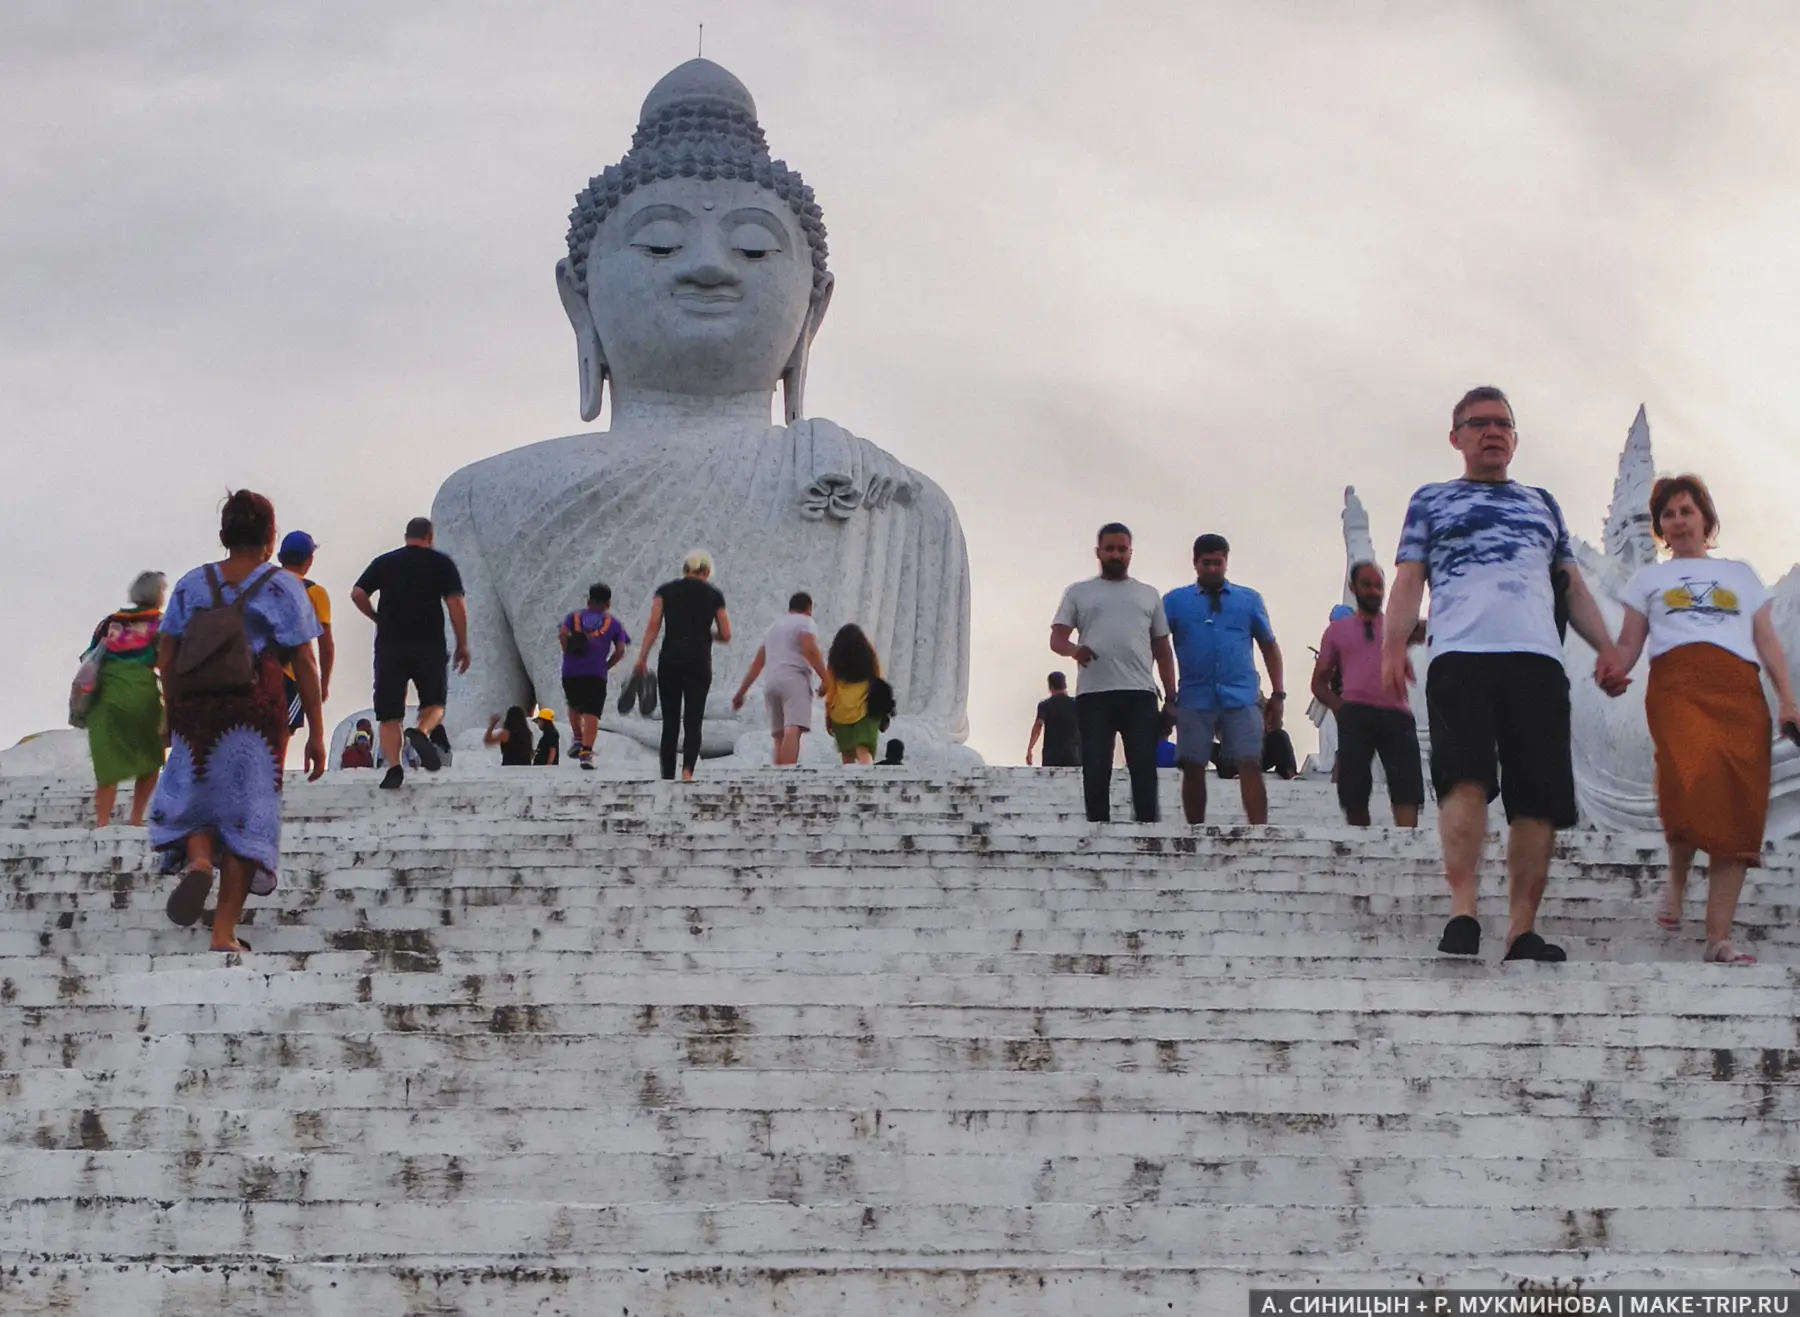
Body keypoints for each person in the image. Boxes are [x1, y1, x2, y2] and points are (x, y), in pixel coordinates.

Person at [1382, 386, 1629, 962]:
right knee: (1463, 779)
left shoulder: (1542, 503)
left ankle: (1522, 928)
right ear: (1457, 437)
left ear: (1515, 439)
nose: (1492, 432)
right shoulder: (1432, 500)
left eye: (1503, 424)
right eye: (1479, 423)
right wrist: (1393, 647)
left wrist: (1609, 648)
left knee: (1537, 798)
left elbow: (1570, 583)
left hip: (1537, 659)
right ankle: (1463, 912)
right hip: (1461, 656)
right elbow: (1409, 579)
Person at [1607, 475, 1800, 965]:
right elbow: (1630, 643)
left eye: (1686, 510)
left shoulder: (1739, 574)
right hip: (1678, 684)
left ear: (1705, 519)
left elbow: (1766, 640)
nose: (1677, 520)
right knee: (1690, 775)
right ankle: (1674, 884)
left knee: (1736, 805)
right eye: (1668, 514)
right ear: (1660, 528)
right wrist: (1614, 669)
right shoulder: (1648, 579)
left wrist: (1787, 700)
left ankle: (1719, 938)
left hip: (1738, 689)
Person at [149, 490, 325, 955]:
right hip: (255, 711)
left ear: (224, 533)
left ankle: (201, 859)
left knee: (195, 796)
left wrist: (172, 707)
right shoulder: (283, 585)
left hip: (197, 705)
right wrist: (317, 732)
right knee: (248, 815)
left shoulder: (191, 584)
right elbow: (304, 660)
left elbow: (166, 652)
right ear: (270, 536)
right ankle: (223, 932)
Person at [1050, 523, 1177, 823]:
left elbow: (1162, 648)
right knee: (1096, 763)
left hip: (1140, 693)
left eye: (1122, 549)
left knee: (1143, 764)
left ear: (1130, 552)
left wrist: (1172, 697)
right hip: (1094, 693)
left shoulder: (1148, 595)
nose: (1116, 554)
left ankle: (1147, 827)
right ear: (1099, 552)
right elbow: (1057, 638)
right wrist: (1075, 651)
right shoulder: (1079, 592)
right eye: (1110, 548)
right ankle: (1097, 827)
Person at [1163, 534, 1285, 825]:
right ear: (1195, 563)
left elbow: (1269, 645)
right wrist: (1168, 695)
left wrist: (1278, 693)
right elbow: (1158, 644)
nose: (1213, 569)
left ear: (1226, 562)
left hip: (1241, 694)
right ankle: (1195, 830)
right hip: (1195, 695)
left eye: (1218, 563)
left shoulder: (1249, 600)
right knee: (1193, 764)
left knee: (1250, 762)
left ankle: (1259, 830)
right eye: (1206, 563)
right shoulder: (1174, 602)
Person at [351, 518, 468, 790]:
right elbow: (455, 604)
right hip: (429, 645)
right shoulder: (441, 563)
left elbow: (357, 593)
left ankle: (394, 767)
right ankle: (421, 731)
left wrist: (376, 617)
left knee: (389, 714)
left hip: (390, 646)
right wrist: (462, 643)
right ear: (430, 536)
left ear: (406, 536)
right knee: (434, 704)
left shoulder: (385, 562)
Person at [1312, 561, 1425, 827]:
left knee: (1406, 785)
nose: (1374, 591)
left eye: (1378, 586)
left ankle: (1407, 845)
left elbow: (1431, 627)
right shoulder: (1336, 632)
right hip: (1356, 713)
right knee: (1354, 787)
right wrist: (1338, 707)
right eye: (1367, 585)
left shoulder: (1399, 625)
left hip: (1397, 713)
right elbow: (1318, 683)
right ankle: (1360, 842)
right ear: (1353, 588)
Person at [634, 550, 730, 781]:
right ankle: (687, 771)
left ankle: (667, 775)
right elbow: (726, 634)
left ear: (685, 570)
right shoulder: (714, 595)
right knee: (693, 720)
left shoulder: (664, 592)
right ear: (706, 572)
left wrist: (642, 657)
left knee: (670, 721)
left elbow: (653, 625)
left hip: (670, 660)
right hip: (698, 660)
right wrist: (707, 634)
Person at [85, 571, 167, 827]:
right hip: (140, 693)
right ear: (157, 594)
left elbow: (90, 656)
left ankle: (101, 821)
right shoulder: (160, 622)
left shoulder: (110, 622)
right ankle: (135, 817)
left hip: (106, 695)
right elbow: (166, 661)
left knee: (108, 759)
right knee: (151, 755)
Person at [732, 592, 828, 765]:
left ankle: (776, 777)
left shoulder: (773, 628)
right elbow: (810, 649)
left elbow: (758, 662)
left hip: (771, 683)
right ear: (808, 608)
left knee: (778, 735)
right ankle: (787, 777)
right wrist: (826, 679)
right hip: (794, 680)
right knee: (793, 728)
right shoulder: (805, 621)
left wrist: (741, 692)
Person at [560, 583, 631, 770]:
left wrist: (566, 651)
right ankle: (586, 752)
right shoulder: (614, 624)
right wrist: (607, 665)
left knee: (574, 703)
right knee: (592, 711)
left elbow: (562, 633)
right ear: (608, 603)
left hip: (570, 671)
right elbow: (621, 649)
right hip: (596, 673)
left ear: (588, 600)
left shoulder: (573, 617)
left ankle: (577, 738)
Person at [277, 531, 333, 731]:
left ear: (280, 558)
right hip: (290, 675)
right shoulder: (313, 592)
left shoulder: (262, 584)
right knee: (281, 734)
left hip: (253, 671)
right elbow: (326, 646)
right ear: (309, 559)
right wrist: (322, 685)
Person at [823, 623, 884, 765]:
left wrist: (828, 717)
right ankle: (866, 781)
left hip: (840, 714)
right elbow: (878, 681)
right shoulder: (870, 659)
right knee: (864, 750)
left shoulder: (834, 663)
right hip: (865, 711)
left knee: (847, 755)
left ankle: (849, 785)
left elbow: (831, 691)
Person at [1026, 671, 1081, 767]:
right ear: (1065, 685)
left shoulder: (1045, 705)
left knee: (1051, 781)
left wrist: (1030, 749)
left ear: (1050, 687)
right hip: (1074, 754)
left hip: (1052, 755)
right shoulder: (1077, 704)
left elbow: (1038, 726)